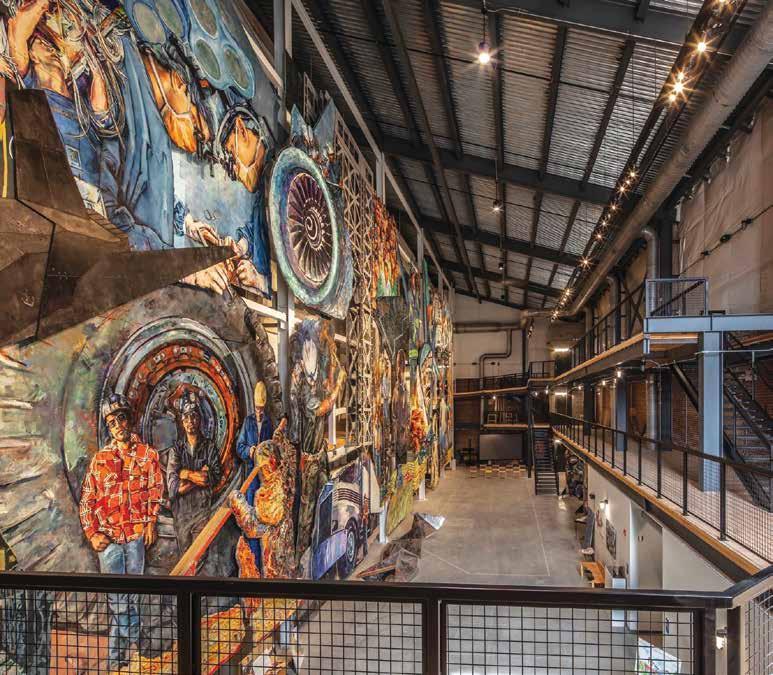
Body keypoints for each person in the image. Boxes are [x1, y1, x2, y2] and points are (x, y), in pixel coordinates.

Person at [79, 393, 162, 670]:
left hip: (135, 538)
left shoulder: (148, 455)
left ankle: (117, 662)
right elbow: (87, 501)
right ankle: (138, 643)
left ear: (130, 418)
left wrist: (150, 521)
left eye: (121, 418)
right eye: (111, 422)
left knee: (131, 599)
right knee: (118, 602)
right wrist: (92, 533)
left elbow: (155, 490)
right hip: (109, 542)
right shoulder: (100, 460)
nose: (117, 426)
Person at [166, 391, 222, 563]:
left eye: (194, 416)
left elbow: (212, 478)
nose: (190, 421)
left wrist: (186, 474)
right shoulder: (176, 450)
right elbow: (174, 487)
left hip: (202, 512)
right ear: (182, 422)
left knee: (200, 557)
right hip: (182, 515)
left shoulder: (209, 447)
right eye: (186, 418)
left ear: (199, 419)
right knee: (185, 560)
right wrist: (199, 475)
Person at [235, 381, 274, 569]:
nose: (259, 411)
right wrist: (249, 451)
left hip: (265, 480)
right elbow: (239, 446)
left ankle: (265, 564)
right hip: (251, 478)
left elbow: (273, 449)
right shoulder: (248, 422)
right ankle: (254, 563)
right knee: (251, 520)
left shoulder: (268, 423)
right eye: (257, 408)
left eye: (261, 408)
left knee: (264, 520)